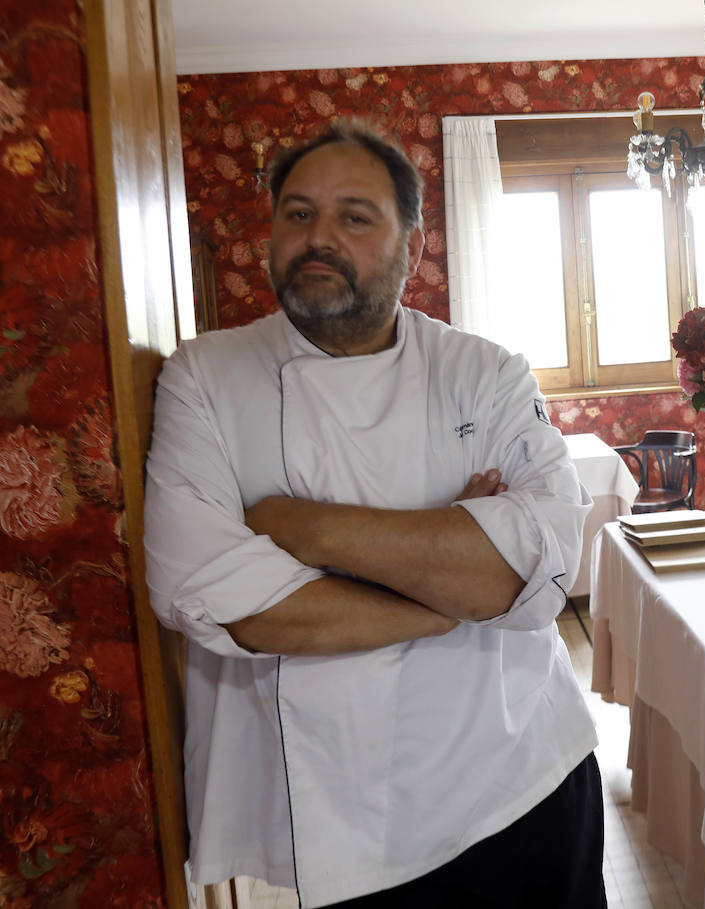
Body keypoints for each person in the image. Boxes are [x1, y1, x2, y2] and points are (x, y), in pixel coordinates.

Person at [143, 120, 603, 908]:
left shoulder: (483, 371)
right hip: (334, 818)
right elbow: (226, 599)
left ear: (412, 246)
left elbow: (537, 561)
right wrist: (451, 589)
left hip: (518, 776)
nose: (318, 237)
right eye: (297, 213)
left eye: (355, 216)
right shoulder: (205, 378)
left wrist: (300, 526)